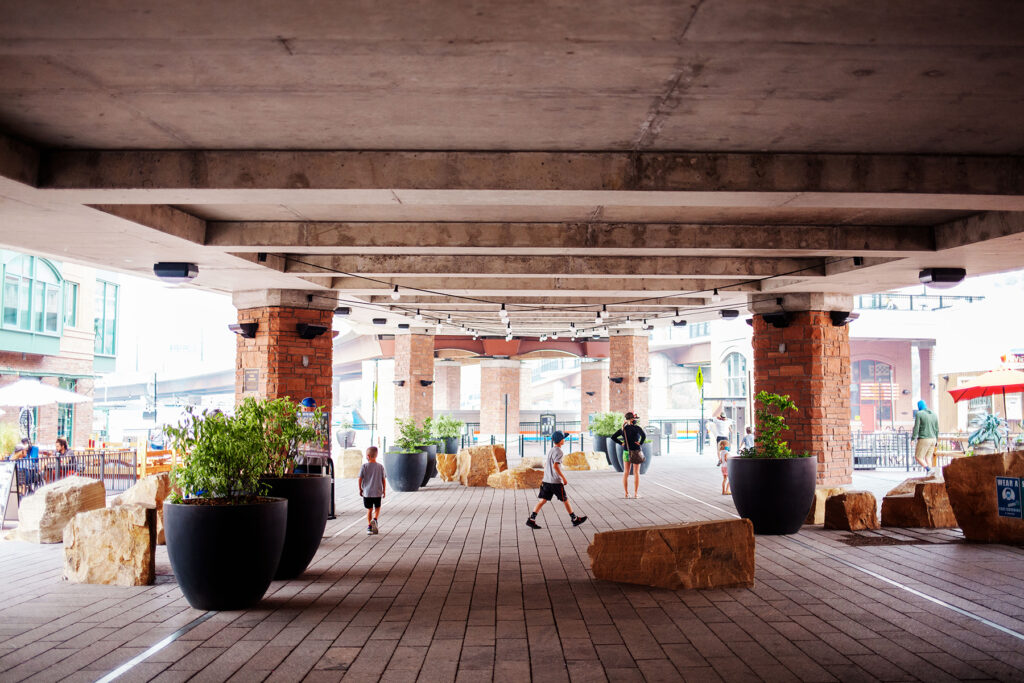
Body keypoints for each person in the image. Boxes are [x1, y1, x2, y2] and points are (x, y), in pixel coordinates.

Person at [526, 431, 587, 529]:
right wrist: (563, 478)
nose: (564, 440)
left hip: (547, 481)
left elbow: (547, 465)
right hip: (555, 482)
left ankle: (531, 519)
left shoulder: (552, 450)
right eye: (563, 438)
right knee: (565, 500)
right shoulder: (559, 451)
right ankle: (574, 519)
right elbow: (555, 466)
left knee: (543, 500)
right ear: (560, 440)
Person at [612, 412, 646, 499]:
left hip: (626, 452)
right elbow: (644, 435)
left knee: (626, 472)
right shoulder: (637, 428)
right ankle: (636, 493)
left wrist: (621, 443)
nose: (636, 420)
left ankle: (626, 493)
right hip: (636, 452)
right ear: (631, 419)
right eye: (635, 419)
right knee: (636, 472)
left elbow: (613, 437)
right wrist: (640, 443)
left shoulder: (623, 429)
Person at [358, 446, 386, 535]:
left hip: (367, 492)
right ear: (376, 455)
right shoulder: (380, 466)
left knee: (369, 509)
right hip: (377, 492)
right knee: (377, 507)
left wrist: (360, 489)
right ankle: (375, 519)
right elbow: (383, 479)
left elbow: (360, 478)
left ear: (368, 456)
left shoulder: (364, 466)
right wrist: (384, 490)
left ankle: (369, 526)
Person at [912, 400, 939, 473]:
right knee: (928, 457)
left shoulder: (919, 414)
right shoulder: (934, 414)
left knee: (918, 457)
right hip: (933, 439)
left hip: (924, 438)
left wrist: (913, 438)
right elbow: (937, 429)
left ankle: (929, 470)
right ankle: (929, 476)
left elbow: (916, 427)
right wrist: (936, 440)